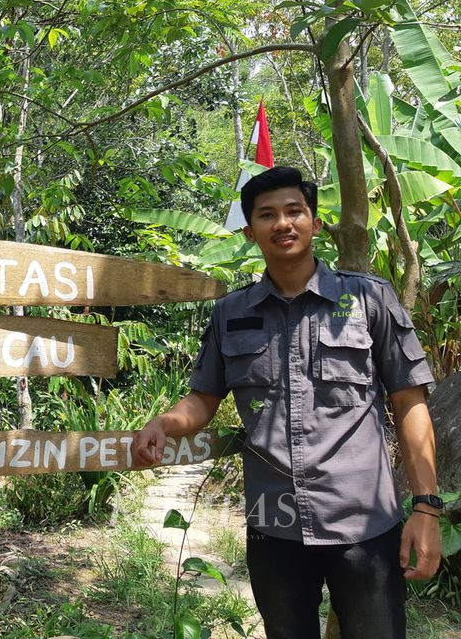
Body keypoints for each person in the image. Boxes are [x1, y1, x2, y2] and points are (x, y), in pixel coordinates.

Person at [133, 166, 441, 639]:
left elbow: (409, 402)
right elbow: (204, 397)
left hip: (364, 523)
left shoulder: (367, 300)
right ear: (251, 229)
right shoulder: (231, 314)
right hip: (273, 526)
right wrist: (164, 423)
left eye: (295, 211)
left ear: (315, 223)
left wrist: (426, 508)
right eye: (267, 214)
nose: (283, 223)